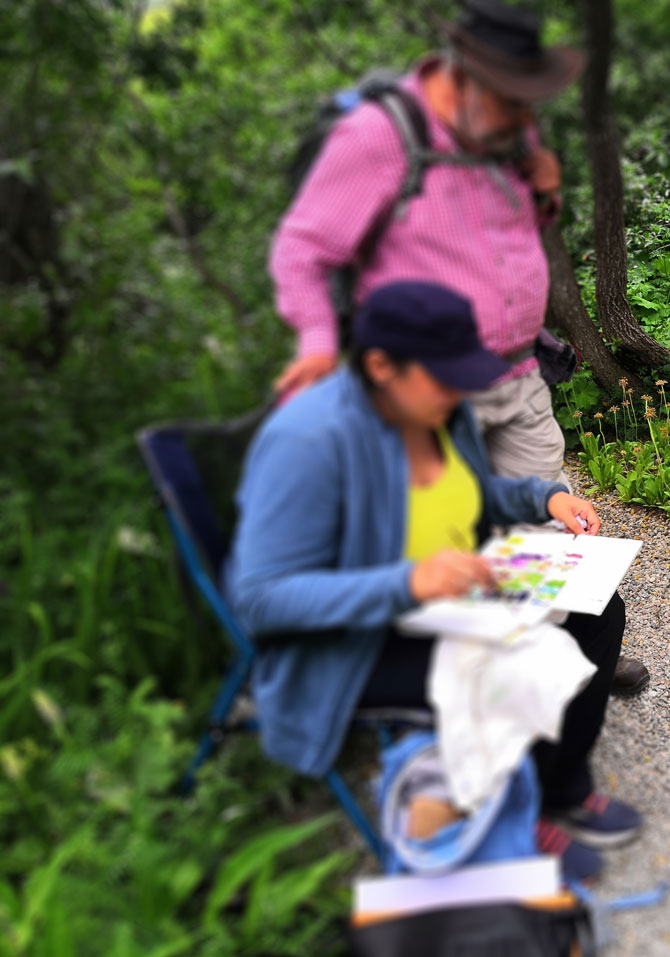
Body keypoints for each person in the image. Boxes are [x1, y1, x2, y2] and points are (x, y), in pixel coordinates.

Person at [267, 0, 650, 696]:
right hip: (432, 391)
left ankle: (578, 656)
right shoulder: (380, 137)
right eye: (514, 106)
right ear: (464, 79)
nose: (526, 125)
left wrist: (547, 193)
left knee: (551, 535)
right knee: (459, 544)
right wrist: (318, 342)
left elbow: (512, 235)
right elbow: (303, 249)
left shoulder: (509, 132)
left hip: (518, 374)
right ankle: (470, 701)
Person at [227, 281, 641, 881]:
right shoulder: (309, 440)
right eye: (445, 376)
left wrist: (545, 496)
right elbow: (261, 599)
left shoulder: (437, 409)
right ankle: (508, 822)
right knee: (517, 659)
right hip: (360, 632)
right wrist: (411, 581)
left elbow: (472, 494)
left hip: (456, 589)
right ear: (379, 365)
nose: (461, 391)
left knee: (599, 613)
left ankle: (559, 786)